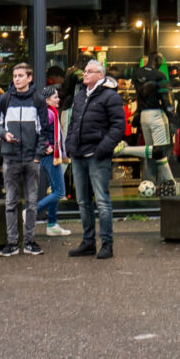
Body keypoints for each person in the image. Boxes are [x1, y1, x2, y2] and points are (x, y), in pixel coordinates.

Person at [65, 60, 124, 259]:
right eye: (85, 71)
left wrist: (102, 149)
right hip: (79, 154)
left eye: (90, 71)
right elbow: (74, 122)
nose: (85, 74)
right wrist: (70, 145)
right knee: (83, 202)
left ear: (101, 75)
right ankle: (88, 242)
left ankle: (107, 244)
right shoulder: (81, 95)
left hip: (97, 156)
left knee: (102, 201)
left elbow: (118, 126)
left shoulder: (110, 96)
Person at [0, 63, 53, 257]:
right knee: (11, 201)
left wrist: (37, 156)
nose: (16, 79)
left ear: (30, 78)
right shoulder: (5, 99)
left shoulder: (38, 99)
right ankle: (12, 242)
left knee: (32, 202)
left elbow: (43, 131)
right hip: (10, 157)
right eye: (15, 75)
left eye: (20, 75)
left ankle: (28, 241)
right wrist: (4, 135)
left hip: (30, 158)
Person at [132, 54, 177, 196]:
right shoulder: (159, 76)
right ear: (157, 61)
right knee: (160, 151)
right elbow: (166, 100)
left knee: (149, 152)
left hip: (143, 115)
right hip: (156, 114)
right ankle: (169, 184)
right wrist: (173, 120)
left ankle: (148, 183)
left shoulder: (137, 73)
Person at [36, 85, 71, 237]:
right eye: (55, 97)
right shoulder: (49, 113)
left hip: (51, 156)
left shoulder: (50, 112)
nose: (58, 99)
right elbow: (37, 131)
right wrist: (46, 146)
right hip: (51, 157)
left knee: (55, 190)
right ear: (47, 99)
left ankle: (52, 224)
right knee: (59, 192)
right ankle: (31, 211)